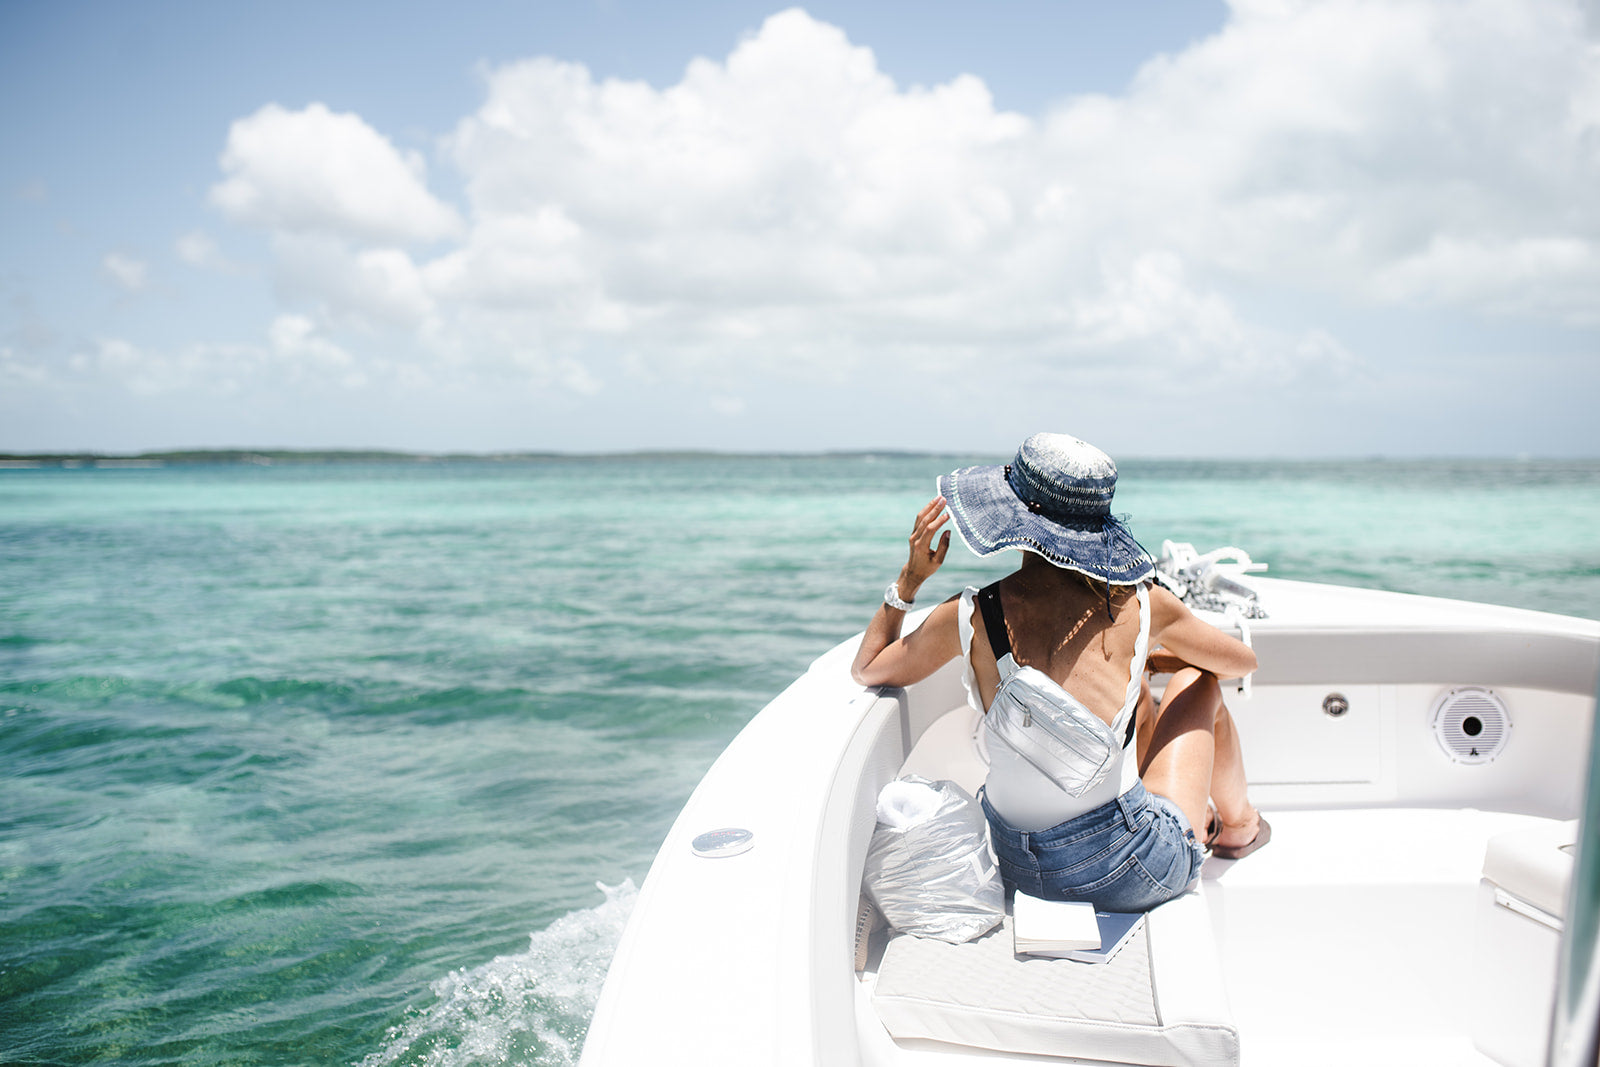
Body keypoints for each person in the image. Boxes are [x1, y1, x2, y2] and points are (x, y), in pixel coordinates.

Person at [851, 432, 1269, 912]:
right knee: (1197, 682)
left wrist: (911, 579)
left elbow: (868, 668)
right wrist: (1149, 653)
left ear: (1015, 517)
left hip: (1012, 864)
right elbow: (1241, 662)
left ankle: (1198, 813)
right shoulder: (1143, 603)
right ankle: (1239, 828)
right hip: (1124, 869)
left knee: (1140, 701)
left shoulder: (971, 614)